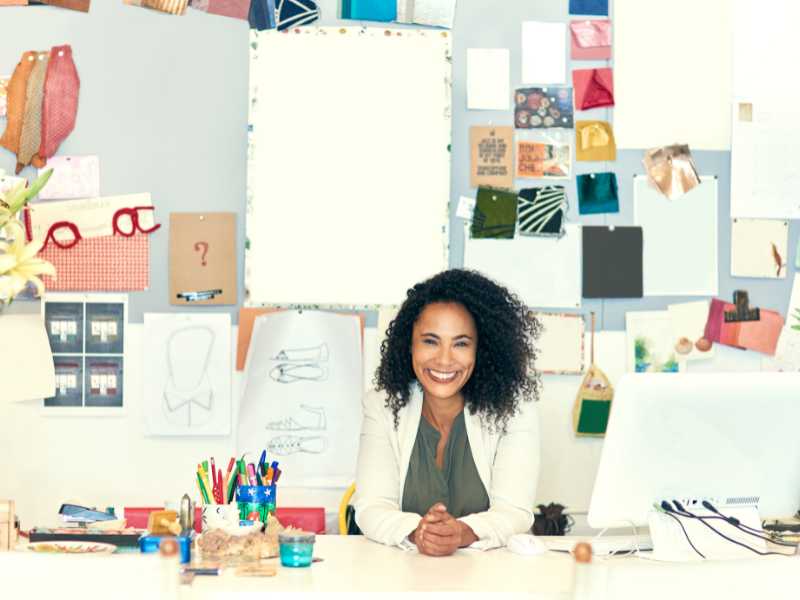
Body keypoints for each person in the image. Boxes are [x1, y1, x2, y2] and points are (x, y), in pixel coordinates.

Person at [354, 269, 542, 555]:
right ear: (409, 344)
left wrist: (462, 533)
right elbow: (371, 507)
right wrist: (420, 533)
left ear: (482, 349)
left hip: (491, 581)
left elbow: (515, 511)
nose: (444, 359)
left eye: (461, 343)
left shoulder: (513, 409)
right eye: (430, 341)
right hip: (402, 579)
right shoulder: (382, 405)